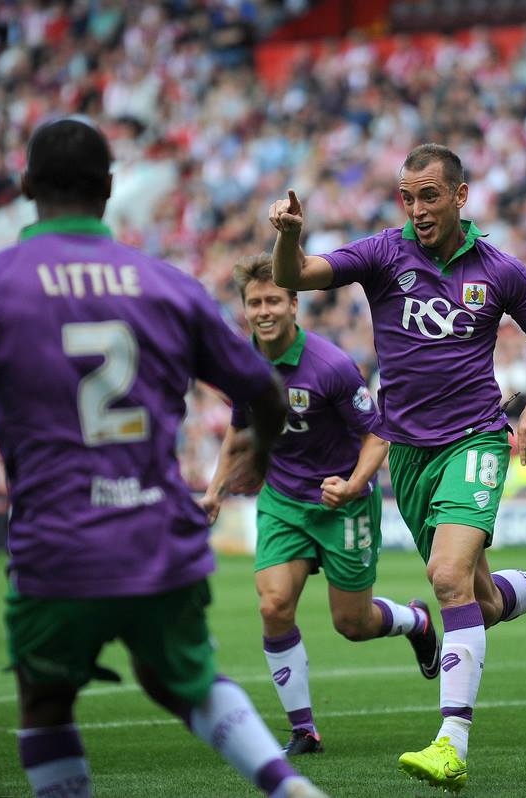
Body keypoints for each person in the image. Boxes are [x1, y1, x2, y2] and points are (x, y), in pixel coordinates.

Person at [0, 119, 327, 798]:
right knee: (185, 676)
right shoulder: (165, 284)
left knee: (47, 700)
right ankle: (283, 784)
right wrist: (260, 457)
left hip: (55, 543)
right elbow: (265, 391)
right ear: (110, 189)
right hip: (157, 532)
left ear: (27, 186)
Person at [265, 143, 526, 792]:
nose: (416, 210)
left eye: (429, 197)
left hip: (475, 439)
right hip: (407, 452)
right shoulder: (384, 255)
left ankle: (451, 742)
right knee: (484, 601)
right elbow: (295, 276)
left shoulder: (500, 272)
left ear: (460, 196)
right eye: (407, 197)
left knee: (447, 580)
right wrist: (290, 236)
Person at [202, 254, 440, 757]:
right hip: (284, 500)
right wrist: (215, 489)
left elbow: (378, 435)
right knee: (273, 605)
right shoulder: (243, 363)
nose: (263, 310)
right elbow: (239, 429)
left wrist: (353, 485)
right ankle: (303, 729)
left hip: (343, 505)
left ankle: (414, 621)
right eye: (254, 302)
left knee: (352, 625)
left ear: (293, 303)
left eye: (273, 300)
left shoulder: (330, 366)